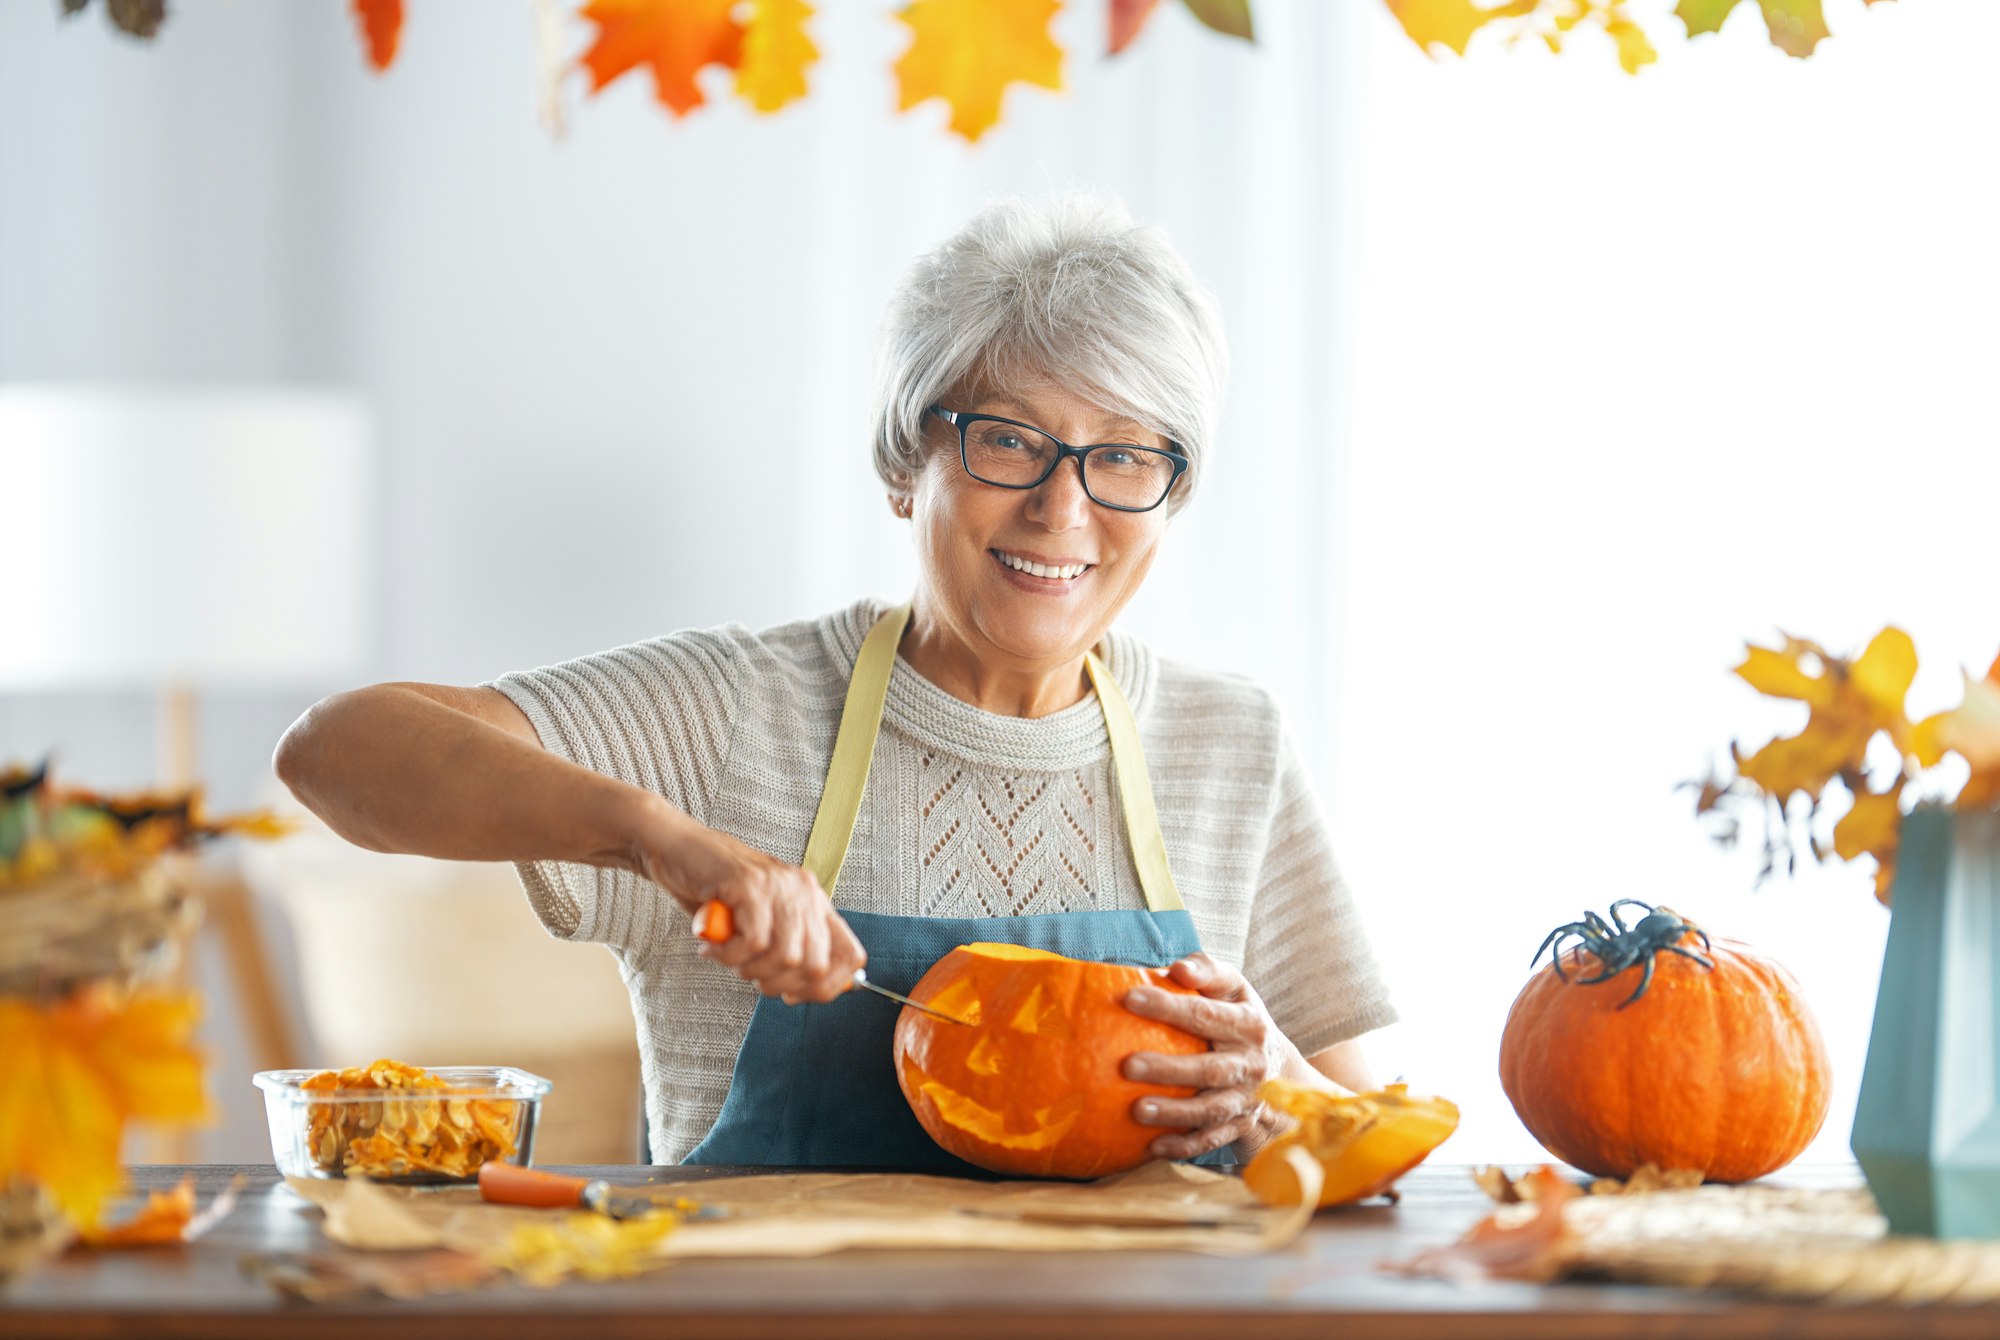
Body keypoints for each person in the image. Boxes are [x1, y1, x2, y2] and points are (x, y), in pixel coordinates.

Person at [274, 195, 1396, 1171]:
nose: (1063, 509)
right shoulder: (740, 713)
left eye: (1123, 456)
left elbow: (1368, 1146)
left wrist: (1268, 1087)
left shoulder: (1228, 742)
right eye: (1007, 441)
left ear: (1170, 494)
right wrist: (665, 839)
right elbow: (333, 750)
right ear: (907, 465)